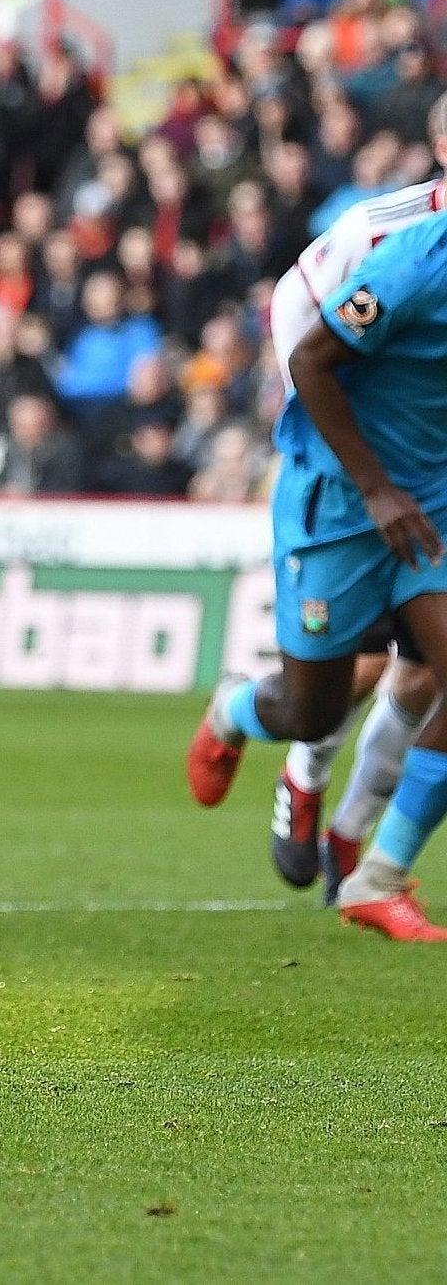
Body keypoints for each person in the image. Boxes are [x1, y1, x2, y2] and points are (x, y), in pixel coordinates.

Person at [187, 207, 447, 940]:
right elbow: (309, 360)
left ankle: (378, 874)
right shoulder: (413, 258)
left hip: (430, 502)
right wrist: (375, 489)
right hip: (340, 503)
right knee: (315, 711)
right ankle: (234, 711)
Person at [237, 117, 447, 897]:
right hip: (353, 473)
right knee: (350, 672)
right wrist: (336, 455)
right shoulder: (384, 230)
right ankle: (305, 767)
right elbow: (300, 316)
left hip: (435, 476)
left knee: (428, 674)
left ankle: (355, 841)